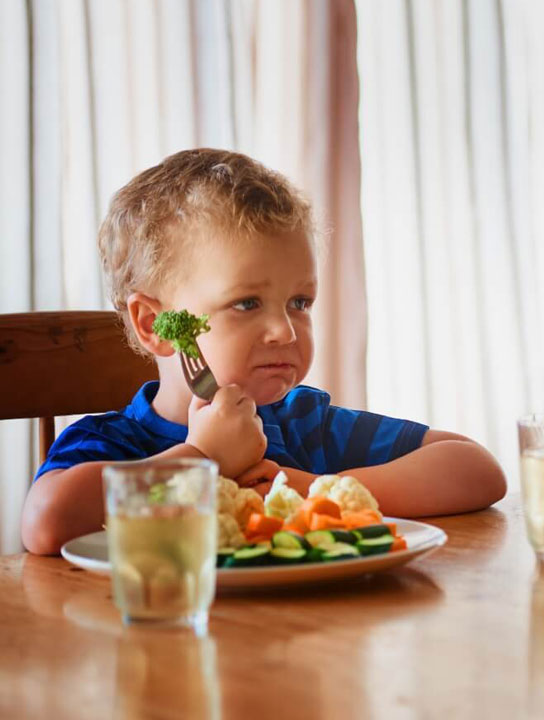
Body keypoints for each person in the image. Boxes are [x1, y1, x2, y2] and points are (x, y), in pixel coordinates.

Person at [22, 149, 506, 555]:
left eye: (300, 302)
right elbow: (47, 522)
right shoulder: (115, 444)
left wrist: (315, 490)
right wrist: (200, 459)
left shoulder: (304, 424)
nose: (284, 330)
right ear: (155, 325)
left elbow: (475, 469)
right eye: (247, 303)